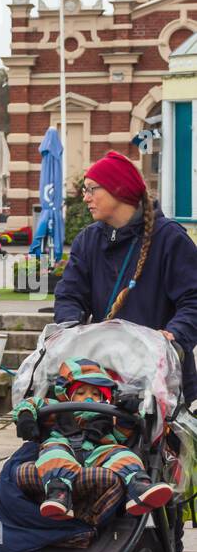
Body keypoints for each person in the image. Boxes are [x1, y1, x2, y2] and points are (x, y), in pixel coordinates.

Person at [53, 150, 197, 405]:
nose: (85, 198)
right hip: (102, 379)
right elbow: (69, 295)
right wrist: (69, 330)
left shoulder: (170, 238)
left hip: (163, 381)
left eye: (91, 189)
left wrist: (174, 337)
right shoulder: (87, 240)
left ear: (118, 189)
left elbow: (193, 300)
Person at [13, 358, 173, 525]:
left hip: (99, 451)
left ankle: (138, 486)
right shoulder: (56, 406)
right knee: (52, 453)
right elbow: (31, 403)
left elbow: (121, 436)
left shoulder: (109, 413)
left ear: (104, 396)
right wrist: (25, 415)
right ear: (67, 394)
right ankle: (58, 493)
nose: (88, 398)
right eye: (81, 393)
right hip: (64, 446)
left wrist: (127, 415)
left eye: (95, 394)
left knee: (123, 454)